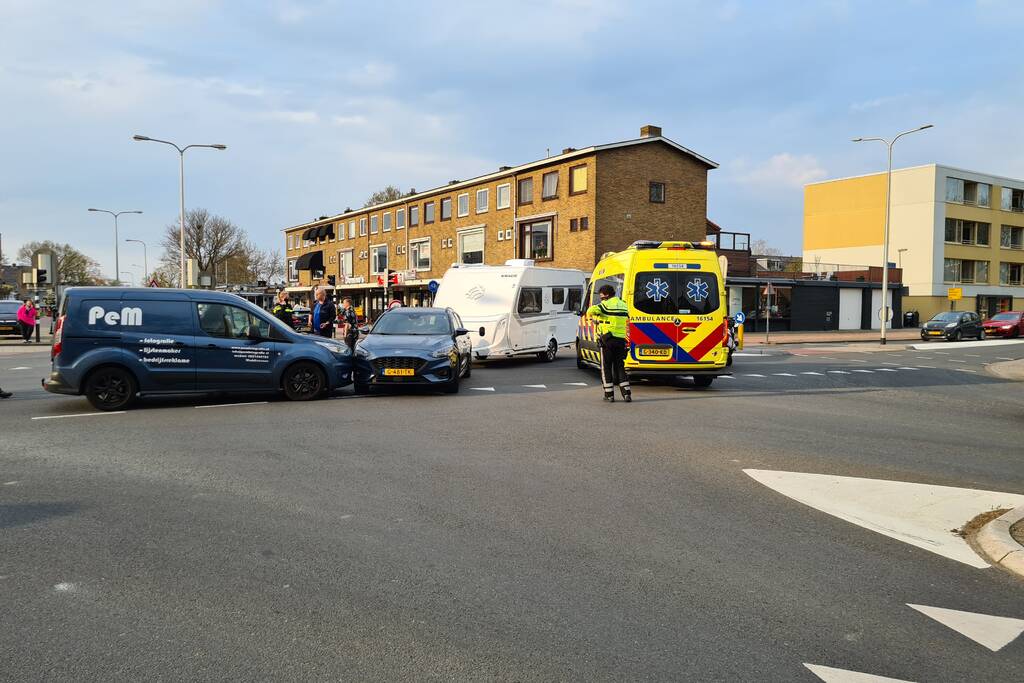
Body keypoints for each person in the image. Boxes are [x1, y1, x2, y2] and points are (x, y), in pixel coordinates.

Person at [586, 284, 631, 402]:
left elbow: (590, 310)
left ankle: (609, 394)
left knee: (606, 367)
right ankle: (626, 393)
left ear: (606, 295)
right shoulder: (623, 305)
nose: (601, 299)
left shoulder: (605, 305)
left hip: (607, 340)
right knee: (619, 366)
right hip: (621, 340)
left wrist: (597, 317)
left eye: (601, 297)